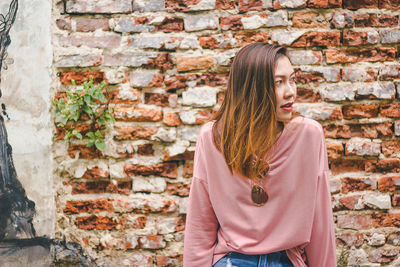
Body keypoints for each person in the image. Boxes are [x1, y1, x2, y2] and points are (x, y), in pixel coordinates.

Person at [183, 42, 337, 267]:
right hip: (232, 260)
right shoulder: (212, 137)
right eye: (278, 82)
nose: (291, 91)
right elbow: (200, 224)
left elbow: (320, 222)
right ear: (252, 89)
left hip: (286, 260)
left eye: (292, 79)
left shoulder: (309, 136)